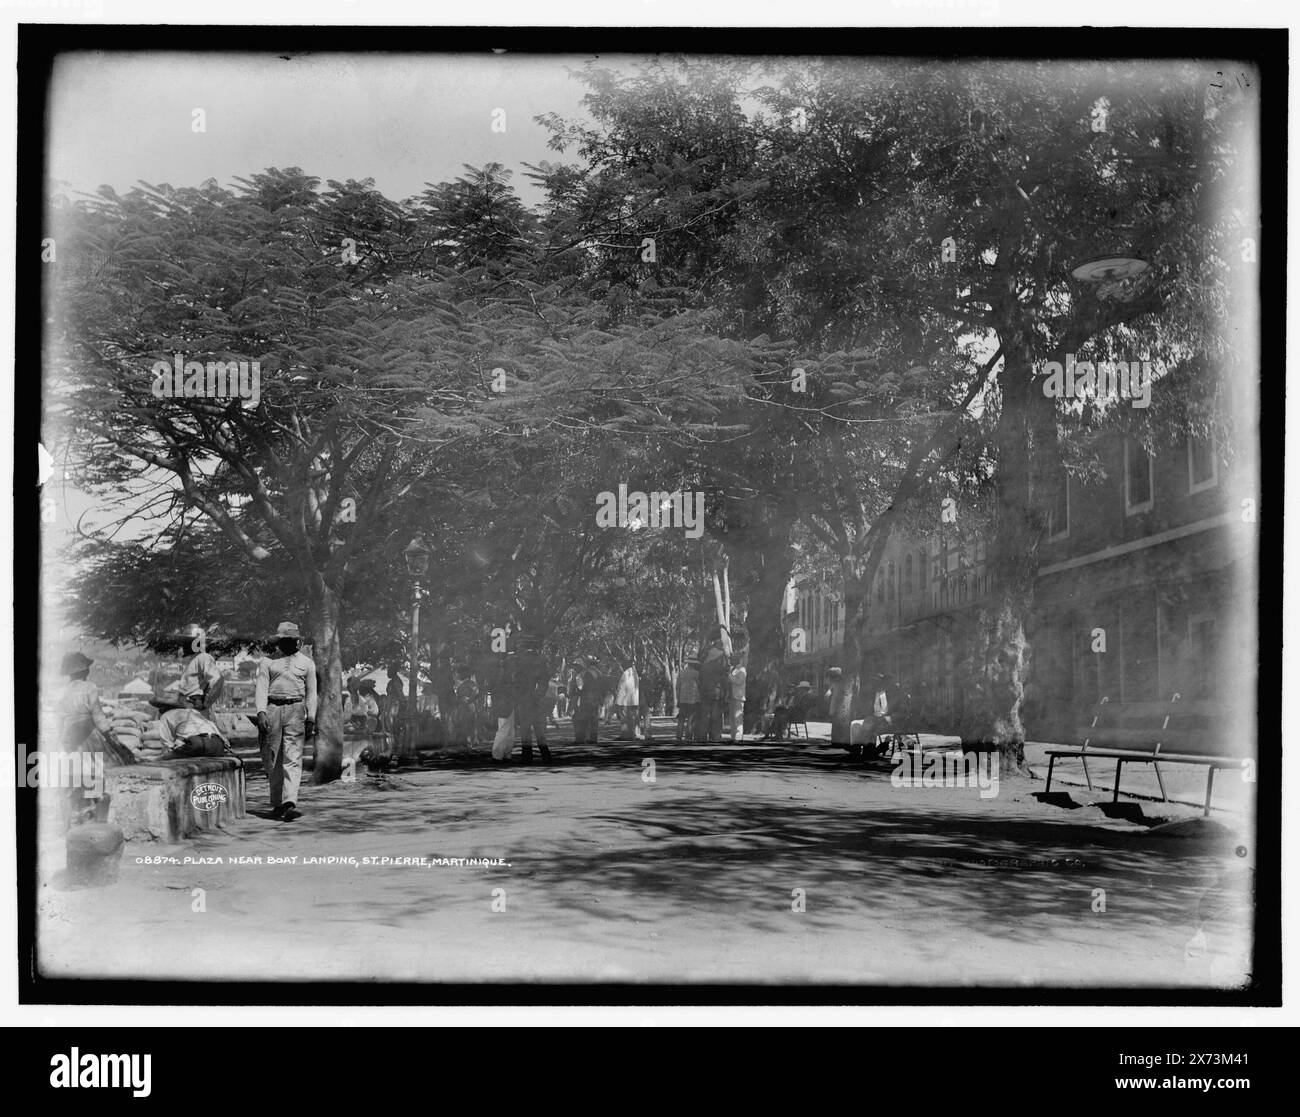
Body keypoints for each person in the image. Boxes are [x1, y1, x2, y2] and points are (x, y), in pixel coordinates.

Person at [58, 651, 134, 827]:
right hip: (89, 736)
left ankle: (70, 825)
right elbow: (99, 717)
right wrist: (111, 738)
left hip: (69, 738)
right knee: (94, 780)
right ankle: (95, 822)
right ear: (84, 671)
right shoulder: (89, 687)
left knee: (71, 783)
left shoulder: (62, 692)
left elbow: (59, 720)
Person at [254, 621, 317, 822]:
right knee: (272, 758)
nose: (294, 643)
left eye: (296, 639)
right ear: (280, 641)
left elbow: (312, 694)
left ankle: (290, 803)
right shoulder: (267, 662)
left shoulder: (307, 663)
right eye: (289, 640)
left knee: (293, 756)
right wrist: (261, 712)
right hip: (272, 709)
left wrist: (311, 718)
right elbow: (261, 689)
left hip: (296, 710)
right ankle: (277, 804)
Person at [153, 688, 229, 758]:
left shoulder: (166, 716)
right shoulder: (194, 712)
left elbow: (167, 744)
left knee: (164, 758)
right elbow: (211, 727)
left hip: (198, 744)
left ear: (163, 707)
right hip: (218, 744)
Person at [514, 635, 553, 764]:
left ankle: (527, 758)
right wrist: (538, 695)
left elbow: (515, 681)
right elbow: (544, 681)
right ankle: (546, 757)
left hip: (524, 699)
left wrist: (519, 696)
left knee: (525, 729)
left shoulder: (519, 661)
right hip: (537, 700)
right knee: (539, 729)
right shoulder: (540, 661)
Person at [174, 623, 224, 713]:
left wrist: (205, 703)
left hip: (195, 709)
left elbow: (217, 680)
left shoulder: (203, 657)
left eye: (187, 641)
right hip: (184, 707)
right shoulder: (192, 661)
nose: (184, 645)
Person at [698, 639, 730, 742]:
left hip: (704, 692)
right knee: (716, 714)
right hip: (717, 691)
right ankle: (715, 736)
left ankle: (702, 736)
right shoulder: (721, 660)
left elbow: (700, 679)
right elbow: (724, 678)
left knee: (704, 714)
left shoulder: (704, 663)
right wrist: (726, 691)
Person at [491, 651, 518, 761]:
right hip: (504, 704)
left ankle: (506, 753)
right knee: (504, 729)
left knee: (509, 729)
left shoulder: (504, 674)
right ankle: (497, 755)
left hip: (507, 703)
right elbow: (504, 689)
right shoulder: (503, 675)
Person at [572, 656, 603, 744]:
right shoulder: (599, 673)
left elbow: (581, 688)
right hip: (596, 698)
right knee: (593, 719)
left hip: (587, 699)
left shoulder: (586, 673)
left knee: (583, 719)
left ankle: (582, 739)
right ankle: (593, 739)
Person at [826, 667, 856, 755]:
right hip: (840, 706)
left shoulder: (841, 683)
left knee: (841, 723)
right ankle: (837, 742)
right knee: (838, 723)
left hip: (842, 706)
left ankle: (840, 742)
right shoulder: (836, 683)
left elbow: (839, 697)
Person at [615, 659, 640, 741]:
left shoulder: (626, 674)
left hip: (624, 701)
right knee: (632, 719)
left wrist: (618, 700)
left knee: (624, 718)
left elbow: (621, 688)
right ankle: (632, 735)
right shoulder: (635, 673)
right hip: (633, 700)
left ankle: (625, 735)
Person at [676, 659, 700, 742]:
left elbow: (678, 687)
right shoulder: (696, 674)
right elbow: (700, 685)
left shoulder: (681, 673)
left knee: (681, 718)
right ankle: (688, 735)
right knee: (691, 717)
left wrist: (678, 698)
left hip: (683, 699)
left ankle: (679, 735)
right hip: (693, 699)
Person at [728, 656, 747, 742]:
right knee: (732, 718)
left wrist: (730, 677)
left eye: (732, 659)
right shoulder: (734, 670)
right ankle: (733, 737)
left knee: (737, 719)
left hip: (738, 697)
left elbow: (738, 681)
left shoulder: (742, 670)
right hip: (732, 697)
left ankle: (738, 737)